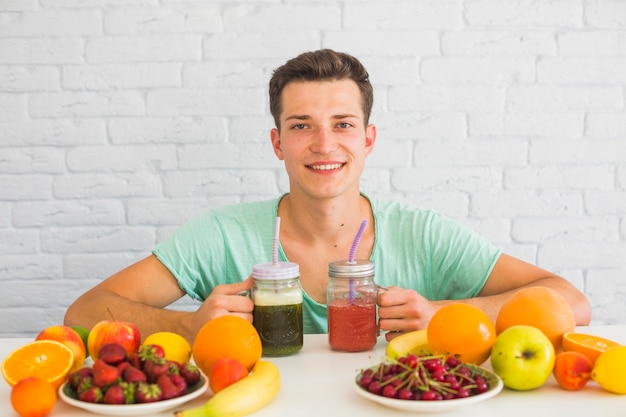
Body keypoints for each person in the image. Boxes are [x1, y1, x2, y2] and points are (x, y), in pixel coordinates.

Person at [64, 49, 591, 344]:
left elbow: (572, 302)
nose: (323, 145)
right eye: (301, 126)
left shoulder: (423, 234)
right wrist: (186, 323)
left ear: (368, 139)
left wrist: (445, 314)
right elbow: (83, 311)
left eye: (342, 124)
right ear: (277, 142)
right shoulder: (221, 235)